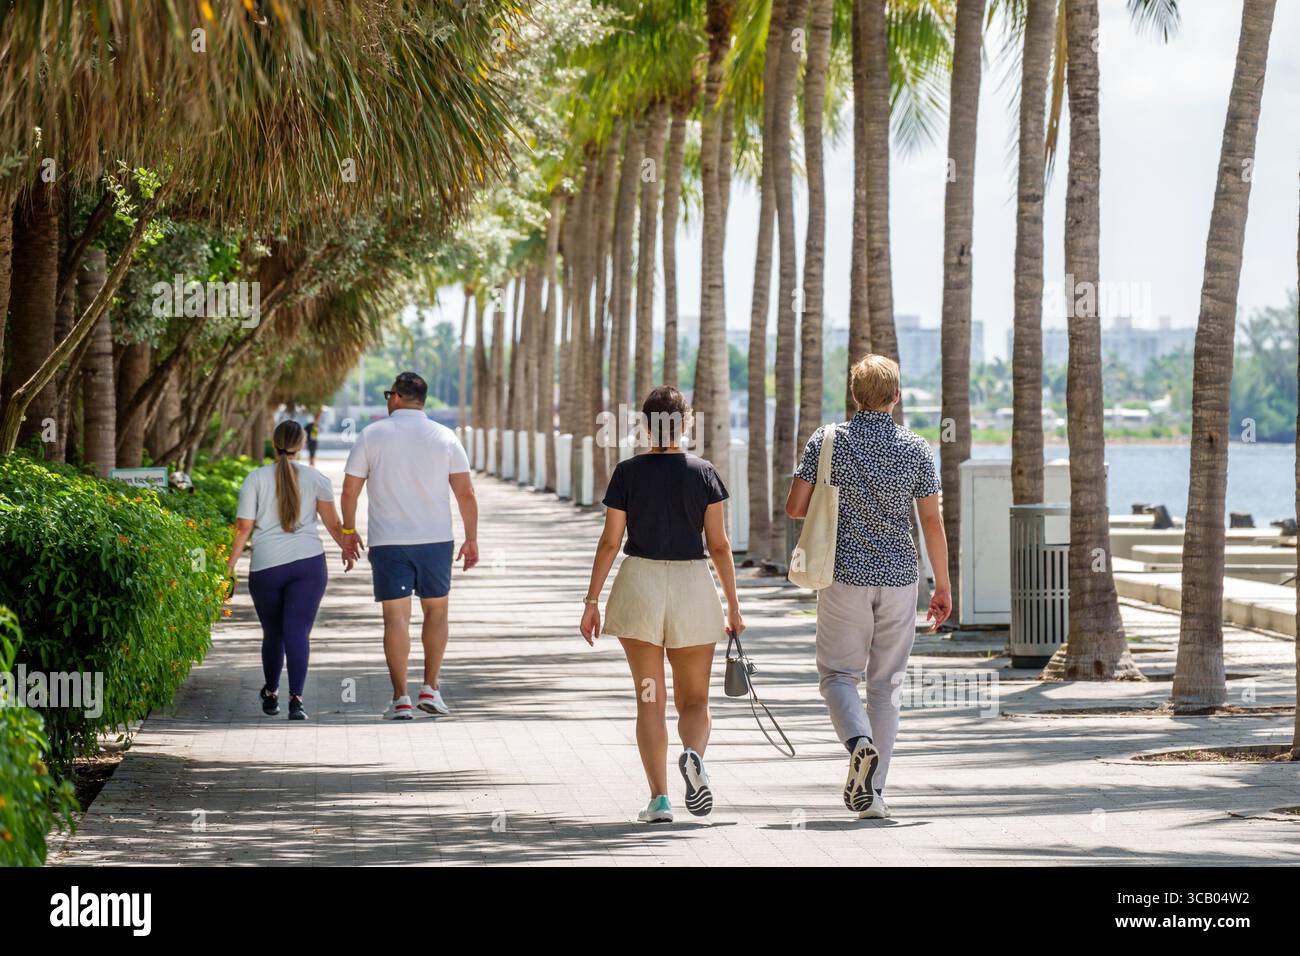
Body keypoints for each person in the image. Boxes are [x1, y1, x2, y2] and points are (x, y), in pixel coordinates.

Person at [786, 354, 951, 820]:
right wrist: (943, 585)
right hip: (900, 579)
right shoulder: (917, 448)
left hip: (843, 577)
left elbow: (795, 507)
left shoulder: (828, 441)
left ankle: (858, 744)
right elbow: (932, 522)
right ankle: (873, 796)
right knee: (887, 686)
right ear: (896, 396)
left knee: (838, 675)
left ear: (855, 396)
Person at [580, 386, 744, 824]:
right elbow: (721, 546)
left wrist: (592, 599)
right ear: (686, 424)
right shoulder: (704, 473)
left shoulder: (628, 472)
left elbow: (611, 540)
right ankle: (693, 755)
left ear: (643, 426)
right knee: (695, 700)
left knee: (649, 699)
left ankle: (659, 801)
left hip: (641, 586)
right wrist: (733, 606)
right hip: (692, 586)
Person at [340, 372, 478, 720]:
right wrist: (471, 538)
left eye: (389, 394)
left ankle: (401, 698)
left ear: (397, 397)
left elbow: (349, 491)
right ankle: (430, 688)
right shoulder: (445, 437)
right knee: (436, 612)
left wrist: (348, 531)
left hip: (388, 543)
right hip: (435, 541)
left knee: (396, 619)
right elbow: (465, 493)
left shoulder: (372, 435)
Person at [229, 420, 355, 721]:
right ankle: (296, 701)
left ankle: (271, 693)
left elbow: (244, 526)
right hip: (309, 564)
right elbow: (333, 524)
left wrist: (229, 566)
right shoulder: (317, 478)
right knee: (298, 632)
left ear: (274, 444)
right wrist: (346, 546)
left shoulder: (255, 478)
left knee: (273, 633)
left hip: (267, 566)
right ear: (302, 445)